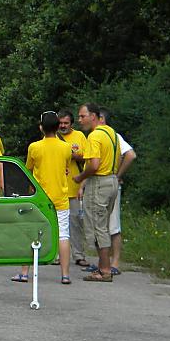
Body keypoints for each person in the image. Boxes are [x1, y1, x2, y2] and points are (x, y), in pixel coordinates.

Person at [12, 111, 73, 284]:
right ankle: (65, 275)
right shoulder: (66, 147)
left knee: (31, 233)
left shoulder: (34, 147)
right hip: (61, 198)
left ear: (41, 127)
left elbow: (28, 171)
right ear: (58, 127)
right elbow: (66, 168)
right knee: (63, 235)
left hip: (39, 198)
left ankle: (24, 273)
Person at [73, 103, 120, 282]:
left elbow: (94, 165)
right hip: (112, 180)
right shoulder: (111, 133)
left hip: (99, 183)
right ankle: (103, 267)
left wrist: (80, 177)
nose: (80, 120)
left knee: (98, 226)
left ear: (93, 116)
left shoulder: (94, 136)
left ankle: (105, 270)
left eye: (82, 116)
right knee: (104, 224)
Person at [89, 109, 137, 276]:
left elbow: (130, 155)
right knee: (103, 224)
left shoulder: (112, 136)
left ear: (100, 119)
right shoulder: (104, 136)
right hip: (107, 182)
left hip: (107, 183)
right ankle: (105, 263)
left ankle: (113, 263)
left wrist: (116, 175)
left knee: (112, 225)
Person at [57, 109, 89, 268]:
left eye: (66, 123)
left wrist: (70, 154)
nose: (63, 126)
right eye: (60, 123)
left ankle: (78, 255)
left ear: (71, 124)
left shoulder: (79, 136)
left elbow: (86, 156)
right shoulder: (51, 136)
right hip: (57, 187)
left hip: (75, 187)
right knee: (57, 224)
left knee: (76, 222)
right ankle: (57, 255)